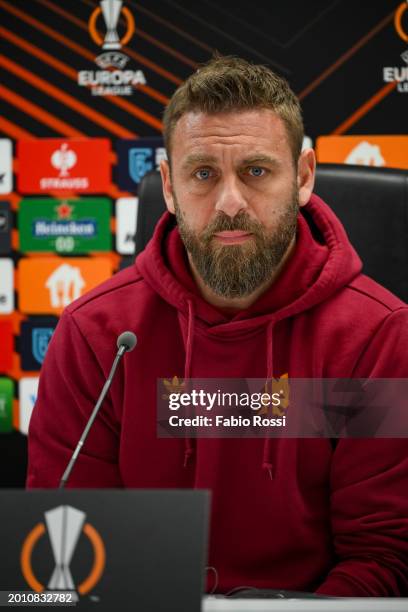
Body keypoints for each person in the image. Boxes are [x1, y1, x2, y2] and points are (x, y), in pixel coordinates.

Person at [27, 56, 408, 596]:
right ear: (169, 185)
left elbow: (385, 557)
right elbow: (63, 545)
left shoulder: (376, 337)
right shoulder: (98, 336)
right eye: (203, 174)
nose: (230, 204)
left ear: (302, 177)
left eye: (256, 171)